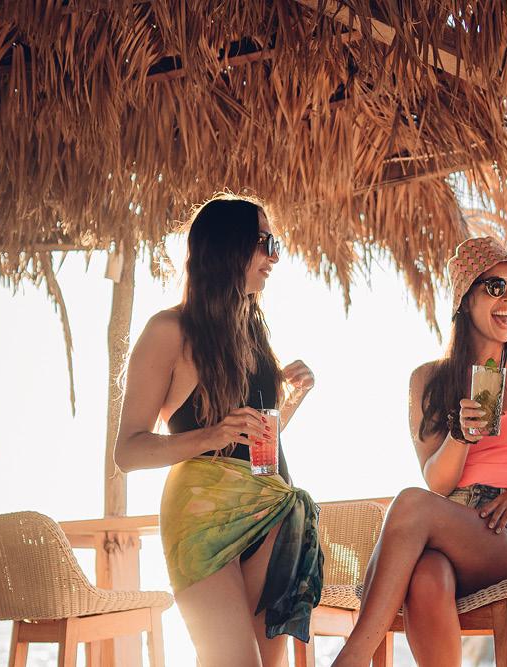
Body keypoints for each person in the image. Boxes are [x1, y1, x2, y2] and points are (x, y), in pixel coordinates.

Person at [333, 237, 507, 667]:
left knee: (410, 504)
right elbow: (438, 482)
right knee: (425, 574)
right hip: (451, 521)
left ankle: (353, 657)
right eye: (495, 286)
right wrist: (460, 435)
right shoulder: (428, 379)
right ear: (464, 297)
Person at [114, 196, 323, 667]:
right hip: (203, 519)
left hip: (270, 510)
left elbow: (250, 444)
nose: (275, 257)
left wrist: (289, 404)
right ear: (229, 247)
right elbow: (128, 451)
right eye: (266, 243)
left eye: (277, 244)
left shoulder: (253, 333)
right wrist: (210, 436)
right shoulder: (169, 330)